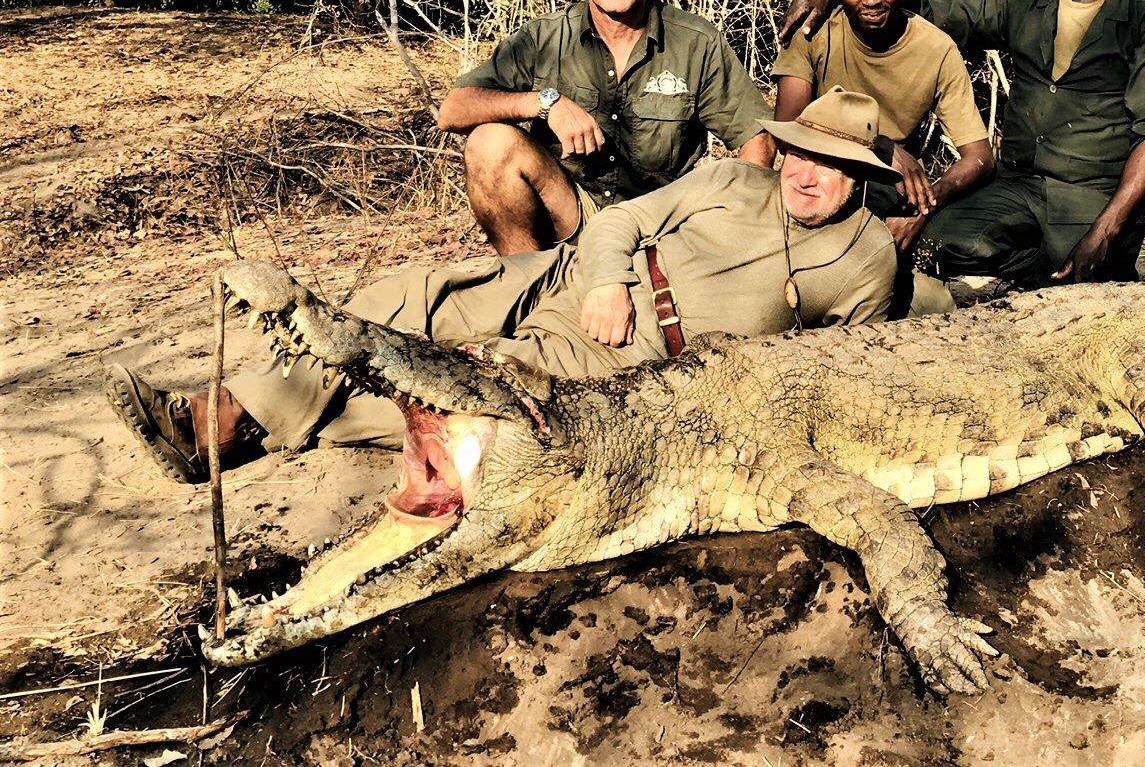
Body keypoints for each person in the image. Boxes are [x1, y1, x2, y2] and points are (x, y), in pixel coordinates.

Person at [107, 90, 900, 482]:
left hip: (635, 358)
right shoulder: (734, 179)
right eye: (800, 151)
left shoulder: (869, 264)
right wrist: (607, 280)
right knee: (406, 294)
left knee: (466, 389)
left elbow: (834, 373)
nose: (806, 173)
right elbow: (620, 224)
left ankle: (225, 431)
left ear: (863, 179)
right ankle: (228, 413)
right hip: (584, 274)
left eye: (832, 165)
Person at [781, 0, 1145, 286]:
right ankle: (1037, 272)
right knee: (933, 242)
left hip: (1092, 191)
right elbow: (939, 13)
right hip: (1019, 184)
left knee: (1087, 268)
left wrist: (1106, 230)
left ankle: (1082, 265)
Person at [438, 0, 775, 255]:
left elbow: (758, 138)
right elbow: (453, 111)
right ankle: (528, 282)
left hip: (659, 227)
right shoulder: (544, 38)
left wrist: (724, 227)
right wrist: (543, 103)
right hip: (572, 213)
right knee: (489, 142)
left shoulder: (696, 41)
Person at [774, 0, 995, 255]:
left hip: (888, 187)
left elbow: (979, 157)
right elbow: (786, 132)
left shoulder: (937, 49)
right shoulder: (813, 31)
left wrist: (927, 204)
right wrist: (878, 144)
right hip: (818, 167)